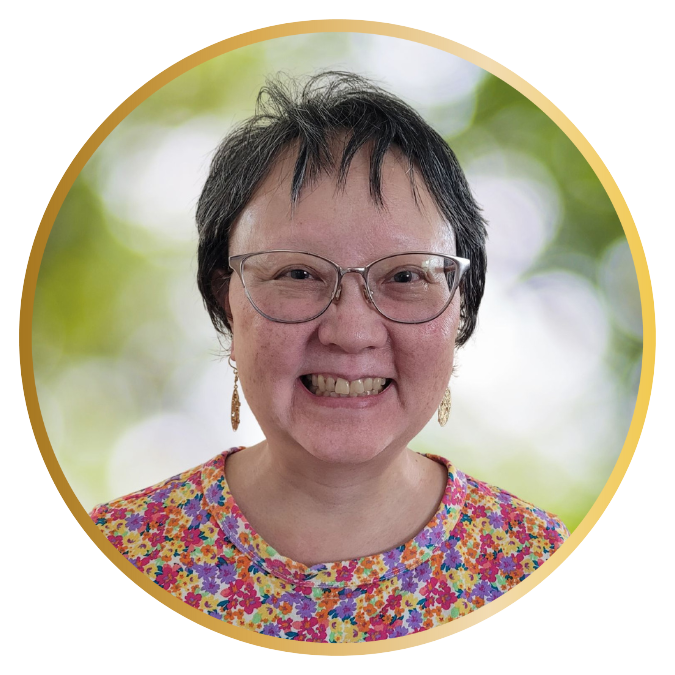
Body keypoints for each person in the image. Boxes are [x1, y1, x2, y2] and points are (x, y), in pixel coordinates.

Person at [91, 71, 569, 642]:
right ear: (226, 302)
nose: (352, 332)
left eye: (406, 276)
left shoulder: (535, 562)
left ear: (461, 308)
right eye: (297, 274)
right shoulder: (122, 548)